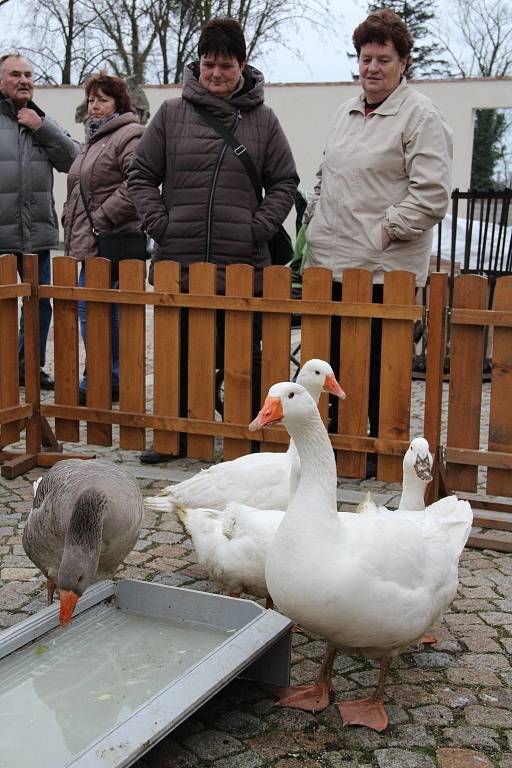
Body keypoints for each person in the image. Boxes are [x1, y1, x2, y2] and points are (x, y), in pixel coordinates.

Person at [128, 16, 299, 463]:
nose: (216, 74)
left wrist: (257, 229)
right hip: (178, 258)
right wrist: (158, 223)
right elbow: (141, 174)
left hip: (240, 261)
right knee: (179, 353)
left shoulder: (263, 121)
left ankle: (242, 442)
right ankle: (176, 437)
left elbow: (284, 181)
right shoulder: (170, 114)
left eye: (225, 65)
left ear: (242, 65)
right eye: (208, 64)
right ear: (198, 65)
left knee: (240, 355)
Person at [304, 8, 453, 477]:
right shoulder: (346, 113)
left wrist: (385, 229)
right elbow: (327, 174)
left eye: (383, 59)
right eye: (365, 58)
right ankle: (325, 450)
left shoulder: (420, 115)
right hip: (328, 262)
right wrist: (315, 214)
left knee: (371, 368)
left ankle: (371, 450)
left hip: (383, 269)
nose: (372, 67)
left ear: (403, 62)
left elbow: (431, 195)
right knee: (327, 366)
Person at [63, 73, 144, 404]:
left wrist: (101, 217)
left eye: (103, 100)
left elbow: (136, 183)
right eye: (92, 100)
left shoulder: (129, 134)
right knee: (93, 309)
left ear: (119, 103)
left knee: (100, 310)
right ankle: (101, 373)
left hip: (113, 238)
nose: (95, 106)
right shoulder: (93, 139)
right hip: (89, 240)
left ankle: (109, 374)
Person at [0, 51, 79, 390]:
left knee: (39, 305)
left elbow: (75, 160)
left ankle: (28, 367)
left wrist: (42, 127)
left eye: (29, 75)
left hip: (38, 234)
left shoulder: (40, 119)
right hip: (1, 235)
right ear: (2, 81)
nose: (24, 80)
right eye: (16, 74)